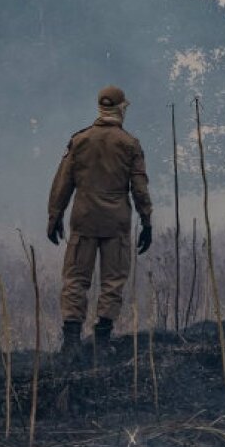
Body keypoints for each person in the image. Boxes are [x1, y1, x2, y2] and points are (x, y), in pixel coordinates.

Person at [47, 85, 152, 364]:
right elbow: (139, 188)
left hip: (83, 219)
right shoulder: (130, 144)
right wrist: (147, 220)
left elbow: (62, 183)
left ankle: (70, 344)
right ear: (121, 108)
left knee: (75, 280)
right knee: (112, 281)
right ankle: (102, 343)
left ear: (100, 107)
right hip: (116, 222)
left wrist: (54, 216)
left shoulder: (79, 140)